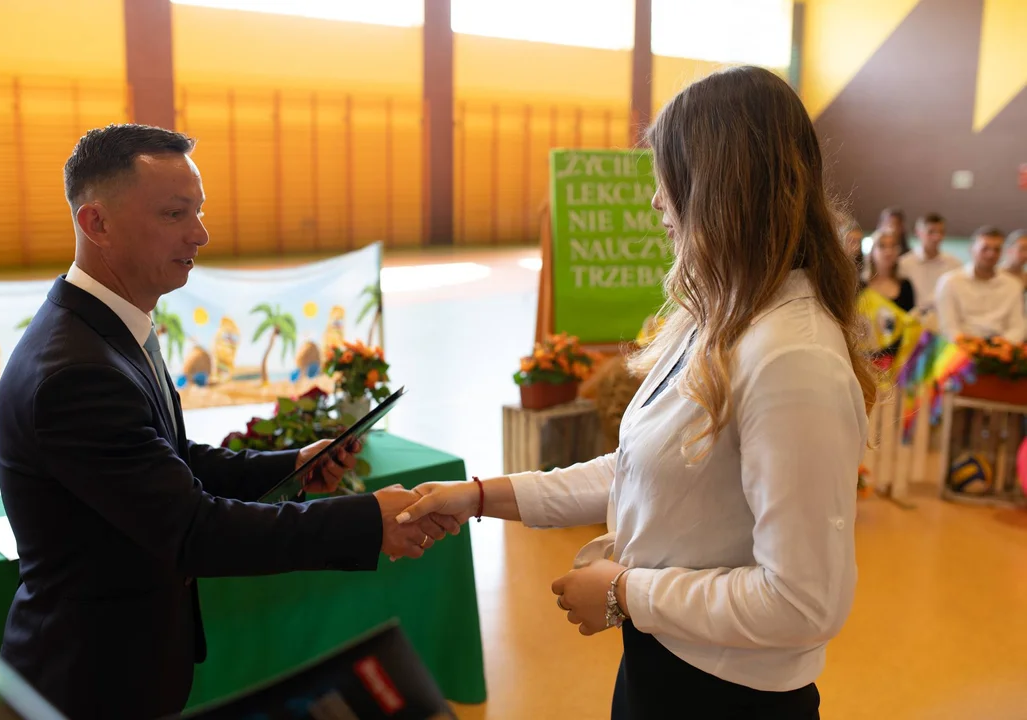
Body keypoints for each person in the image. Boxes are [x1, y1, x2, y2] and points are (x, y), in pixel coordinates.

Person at [397, 66, 873, 719]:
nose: (655, 203)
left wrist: (627, 592)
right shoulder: (720, 318)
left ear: (714, 189)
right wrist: (483, 497)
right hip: (664, 663)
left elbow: (801, 602)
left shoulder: (790, 357)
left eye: (666, 182)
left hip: (727, 694)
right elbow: (637, 473)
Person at [0, 124, 455, 719]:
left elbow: (170, 461)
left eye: (199, 211)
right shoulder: (76, 372)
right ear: (96, 223)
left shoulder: (111, 326)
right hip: (91, 679)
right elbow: (192, 532)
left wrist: (290, 465)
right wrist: (367, 522)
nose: (200, 234)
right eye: (174, 214)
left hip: (127, 663)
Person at [935, 226, 1027, 343]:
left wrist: (998, 347)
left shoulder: (1013, 285)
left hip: (1001, 351)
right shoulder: (950, 282)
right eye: (985, 249)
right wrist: (973, 347)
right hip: (961, 350)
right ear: (971, 249)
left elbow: (1017, 327)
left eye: (996, 249)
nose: (991, 254)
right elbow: (948, 327)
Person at [898, 213, 962, 315]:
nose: (936, 237)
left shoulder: (954, 265)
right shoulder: (904, 264)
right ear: (918, 232)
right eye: (931, 232)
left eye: (941, 232)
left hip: (944, 318)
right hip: (913, 319)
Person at [864, 231, 915, 312]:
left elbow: (910, 320)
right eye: (882, 246)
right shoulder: (861, 285)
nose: (888, 252)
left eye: (893, 246)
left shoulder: (905, 285)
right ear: (872, 251)